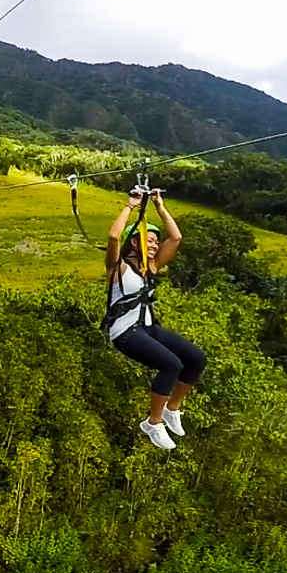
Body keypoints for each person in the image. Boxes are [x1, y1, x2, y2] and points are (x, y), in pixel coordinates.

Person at [104, 190, 206, 450]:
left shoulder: (152, 268)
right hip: (125, 332)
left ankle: (172, 409)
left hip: (148, 329)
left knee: (196, 359)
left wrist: (160, 206)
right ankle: (153, 422)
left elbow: (176, 237)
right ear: (134, 243)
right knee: (171, 365)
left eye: (154, 242)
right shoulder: (119, 268)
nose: (153, 245)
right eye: (148, 240)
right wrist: (131, 206)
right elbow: (114, 236)